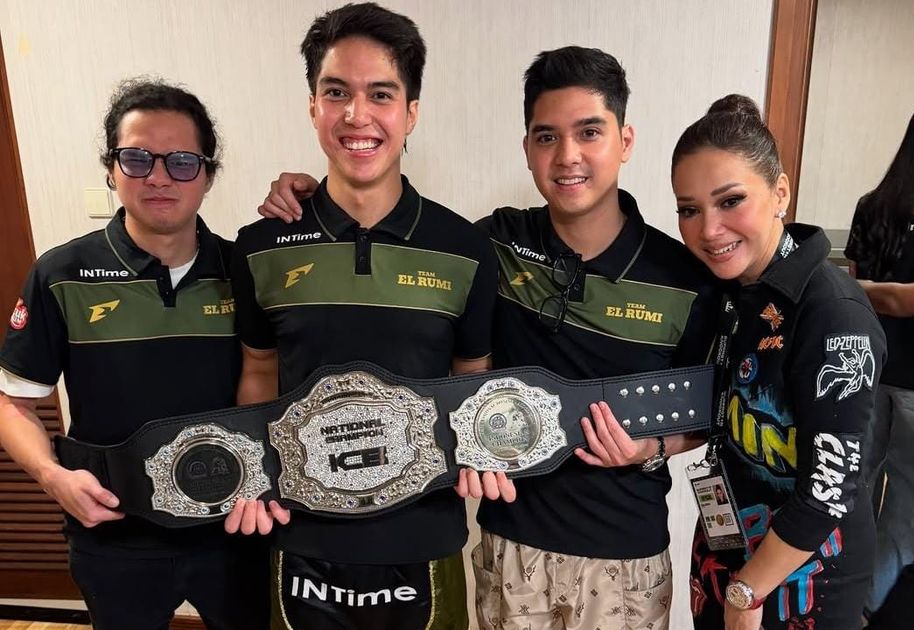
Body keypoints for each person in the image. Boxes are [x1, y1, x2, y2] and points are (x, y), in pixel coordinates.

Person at [260, 46, 719, 630]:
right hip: (510, 545)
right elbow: (403, 246)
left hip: (625, 554)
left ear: (624, 141)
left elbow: (706, 412)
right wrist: (313, 198)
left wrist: (650, 449)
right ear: (527, 148)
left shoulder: (683, 278)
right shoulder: (491, 244)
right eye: (547, 137)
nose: (568, 156)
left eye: (589, 132)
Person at [225, 4, 498, 628]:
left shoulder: (464, 249)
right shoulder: (260, 247)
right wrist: (252, 478)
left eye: (380, 93)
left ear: (411, 112)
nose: (356, 115)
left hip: (422, 538)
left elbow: (472, 380)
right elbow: (259, 372)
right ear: (312, 106)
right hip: (300, 534)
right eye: (336, 92)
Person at [0, 79, 269, 630]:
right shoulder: (61, 274)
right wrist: (53, 477)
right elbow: (12, 403)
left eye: (183, 162)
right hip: (112, 533)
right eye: (138, 158)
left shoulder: (244, 271)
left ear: (208, 175)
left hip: (234, 530)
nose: (159, 177)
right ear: (111, 168)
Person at [674, 94, 887, 630]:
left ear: (781, 192)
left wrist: (747, 592)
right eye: (689, 209)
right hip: (727, 552)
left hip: (806, 578)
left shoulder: (833, 312)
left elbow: (829, 488)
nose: (708, 230)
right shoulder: (727, 290)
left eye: (730, 201)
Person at [843, 96, 914, 617]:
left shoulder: (874, 205)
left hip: (867, 370)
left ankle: (832, 598)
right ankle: (873, 610)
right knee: (911, 512)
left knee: (845, 491)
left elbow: (853, 294)